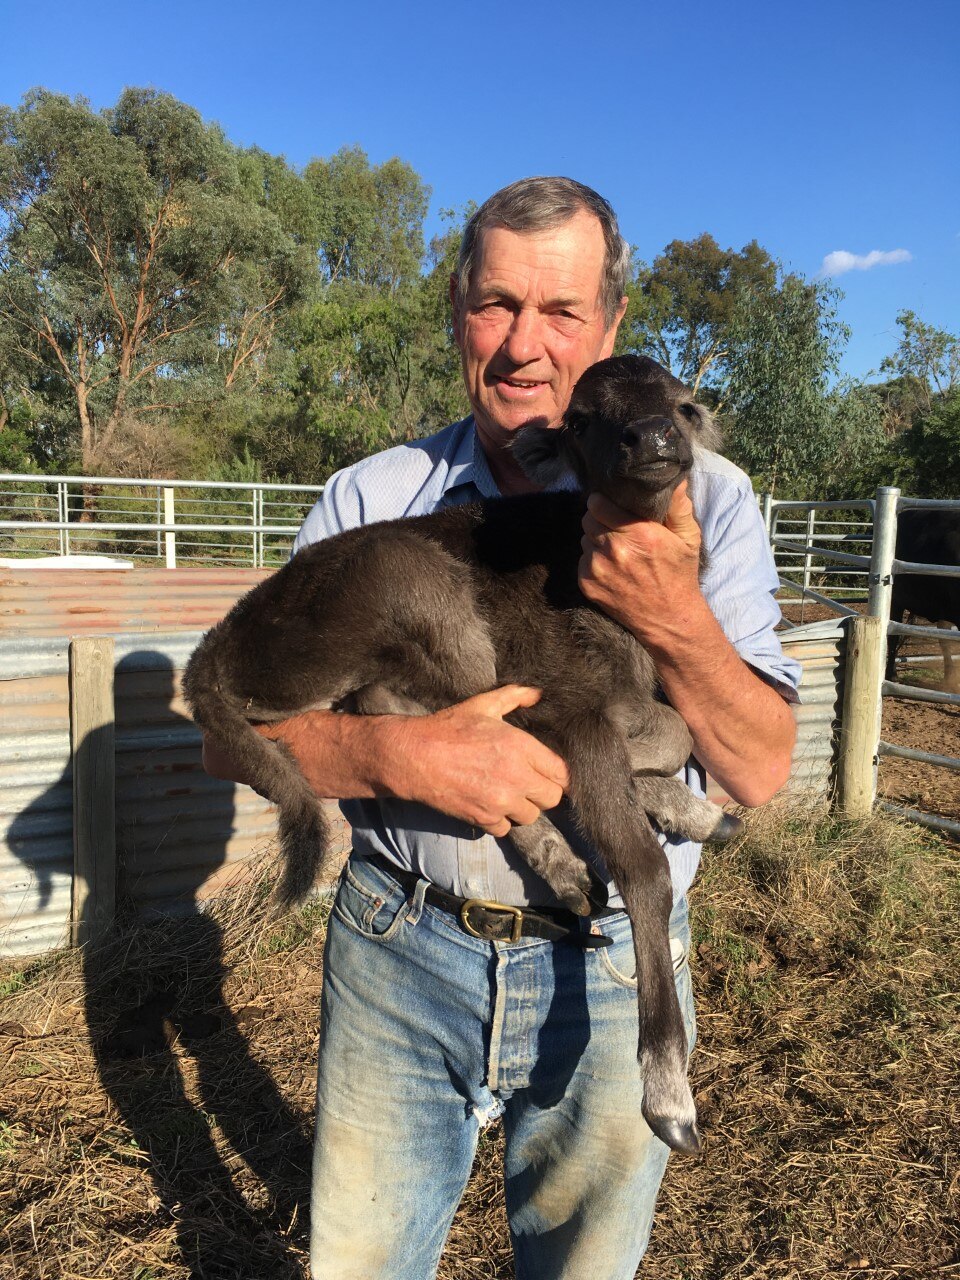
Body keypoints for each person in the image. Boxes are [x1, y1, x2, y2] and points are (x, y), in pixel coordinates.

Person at [202, 176, 800, 1279]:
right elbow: (235, 729)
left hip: (617, 956)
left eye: (562, 311)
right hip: (403, 945)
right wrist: (398, 753)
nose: (525, 344)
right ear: (457, 310)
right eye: (496, 304)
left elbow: (759, 766)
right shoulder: (378, 495)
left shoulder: (710, 499)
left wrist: (671, 607)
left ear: (613, 324)